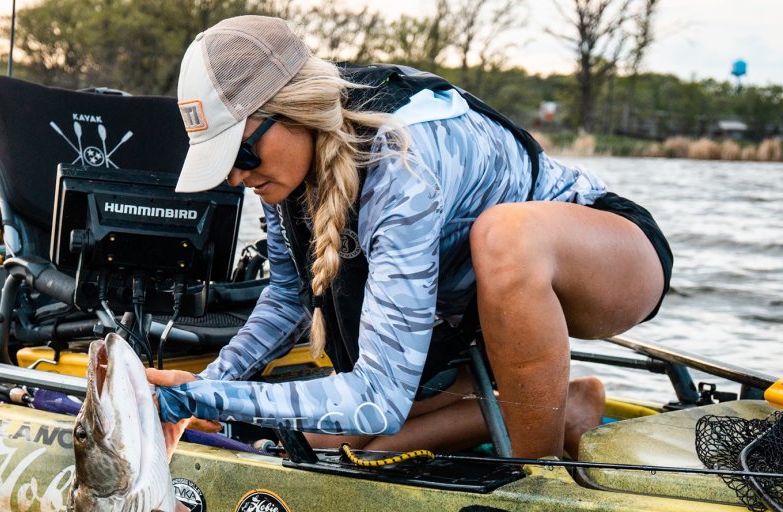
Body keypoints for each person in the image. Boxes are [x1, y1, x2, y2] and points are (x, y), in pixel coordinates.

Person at [147, 15, 672, 460]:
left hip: (606, 258)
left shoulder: (402, 157)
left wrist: (203, 400)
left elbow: (378, 399)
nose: (235, 177)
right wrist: (209, 385)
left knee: (505, 235)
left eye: (240, 154)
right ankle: (567, 406)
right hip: (477, 313)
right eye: (222, 164)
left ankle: (538, 475)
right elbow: (287, 299)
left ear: (296, 109)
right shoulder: (284, 174)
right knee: (339, 445)